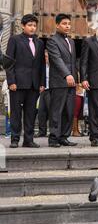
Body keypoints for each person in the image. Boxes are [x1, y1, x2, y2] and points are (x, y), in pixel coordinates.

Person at [6, 14, 46, 148]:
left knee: (30, 113)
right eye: (29, 25)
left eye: (34, 25)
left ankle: (28, 140)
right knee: (16, 113)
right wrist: (11, 81)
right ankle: (15, 139)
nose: (32, 28)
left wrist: (42, 83)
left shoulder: (40, 43)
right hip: (17, 84)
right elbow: (9, 62)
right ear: (23, 26)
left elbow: (41, 65)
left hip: (34, 85)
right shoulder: (14, 40)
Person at [47, 14, 77, 148]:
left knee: (69, 111)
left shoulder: (71, 42)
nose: (67, 26)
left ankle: (64, 137)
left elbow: (73, 62)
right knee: (57, 110)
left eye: (69, 24)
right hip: (59, 81)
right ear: (57, 25)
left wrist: (77, 78)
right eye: (64, 24)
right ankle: (53, 138)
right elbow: (57, 59)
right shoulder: (52, 41)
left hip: (72, 82)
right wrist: (67, 75)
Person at [36, 50, 50, 137]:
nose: (45, 58)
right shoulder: (42, 67)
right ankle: (42, 131)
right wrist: (41, 85)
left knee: (51, 112)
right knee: (41, 111)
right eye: (44, 57)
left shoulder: (54, 67)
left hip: (51, 91)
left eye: (47, 56)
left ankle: (53, 132)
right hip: (43, 91)